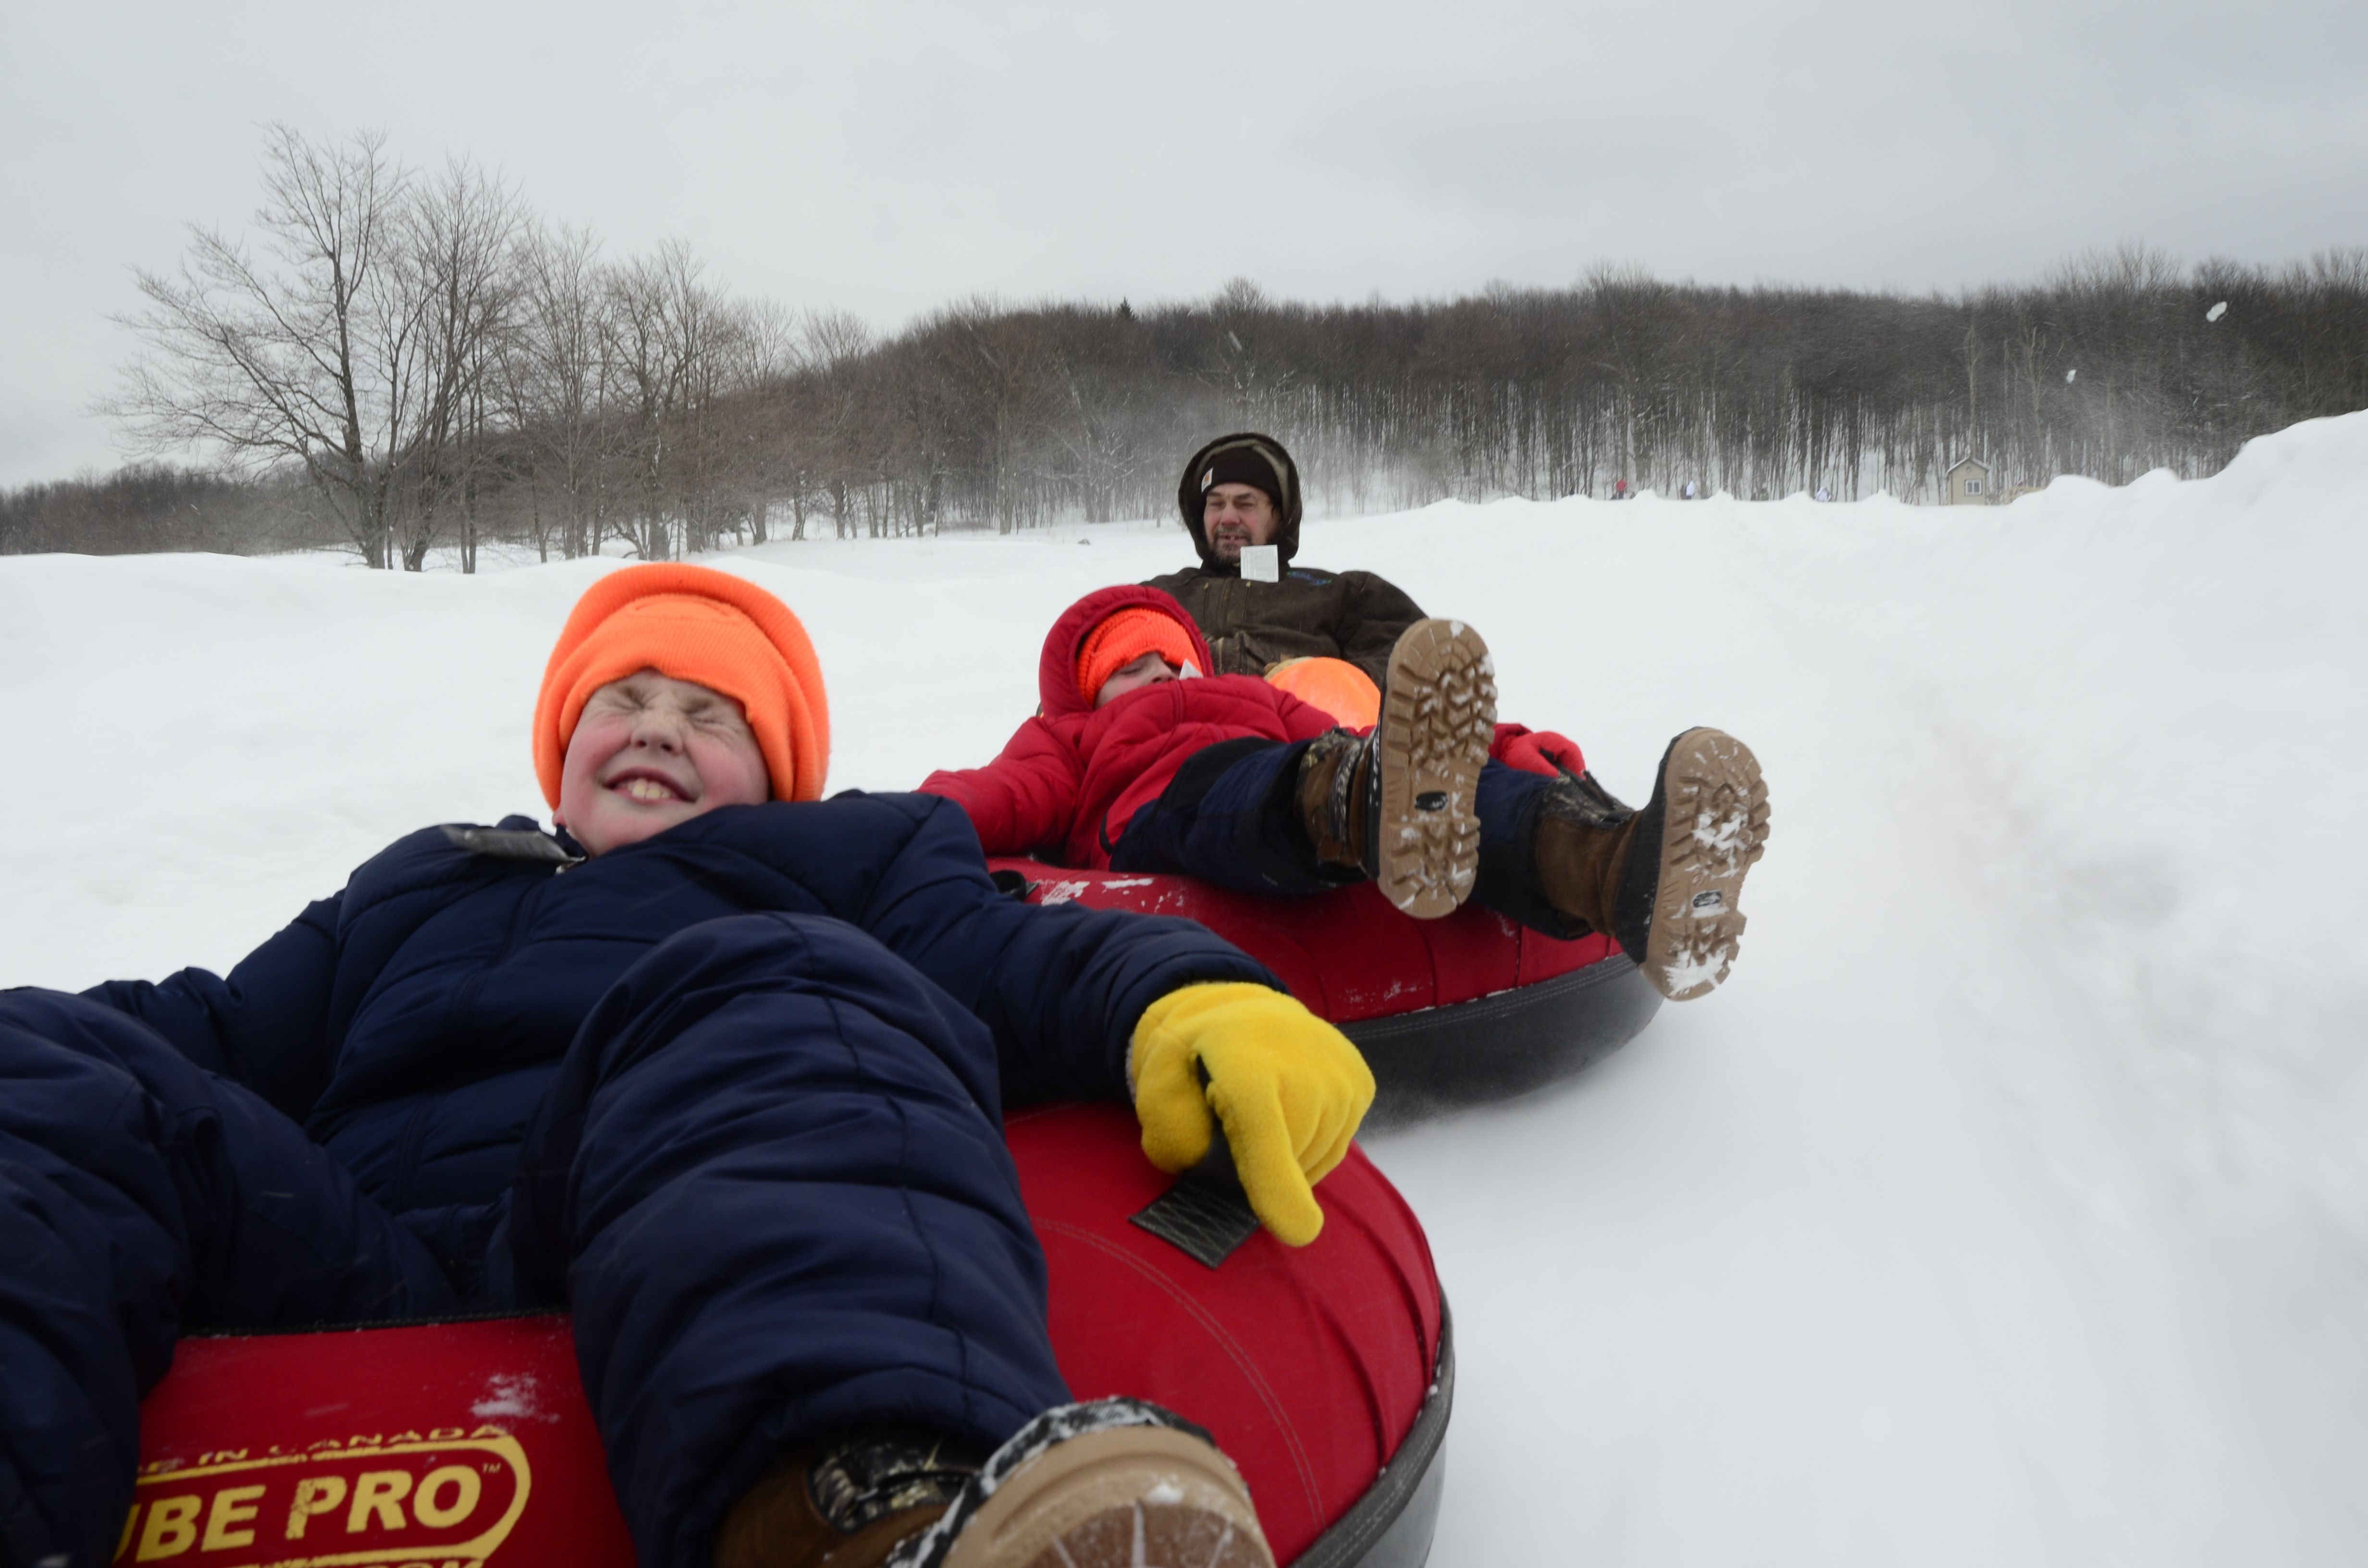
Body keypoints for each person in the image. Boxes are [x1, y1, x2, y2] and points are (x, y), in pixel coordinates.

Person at [0, 564, 1384, 1568]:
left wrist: (1191, 995)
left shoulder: (828, 863)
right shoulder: (420, 880)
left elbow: (1001, 955)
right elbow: (212, 1036)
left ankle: (868, 1514)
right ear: (562, 748)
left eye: (712, 714)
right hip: (345, 1253)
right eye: (626, 697)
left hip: (670, 1227)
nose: (660, 726)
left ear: (776, 771)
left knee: (773, 979)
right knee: (52, 1066)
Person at [1148, 434, 1772, 1002]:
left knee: (1443, 776)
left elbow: (1407, 659)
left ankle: (1628, 872)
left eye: (1247, 502)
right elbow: (1101, 673)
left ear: (1279, 515)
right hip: (1205, 762)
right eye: (1216, 504)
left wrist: (1323, 686)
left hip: (1330, 735)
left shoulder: (1335, 592)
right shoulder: (1158, 598)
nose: (1228, 517)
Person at [919, 586, 1767, 995]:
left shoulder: (1254, 696)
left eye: (1172, 657)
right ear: (1082, 691)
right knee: (1263, 786)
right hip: (1167, 805)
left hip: (1330, 765)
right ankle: (1368, 811)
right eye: (1130, 667)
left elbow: (1378, 737)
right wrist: (900, 827)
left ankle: (1623, 869)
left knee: (1437, 787)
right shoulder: (1068, 740)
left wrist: (1506, 749)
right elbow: (994, 795)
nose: (1161, 673)